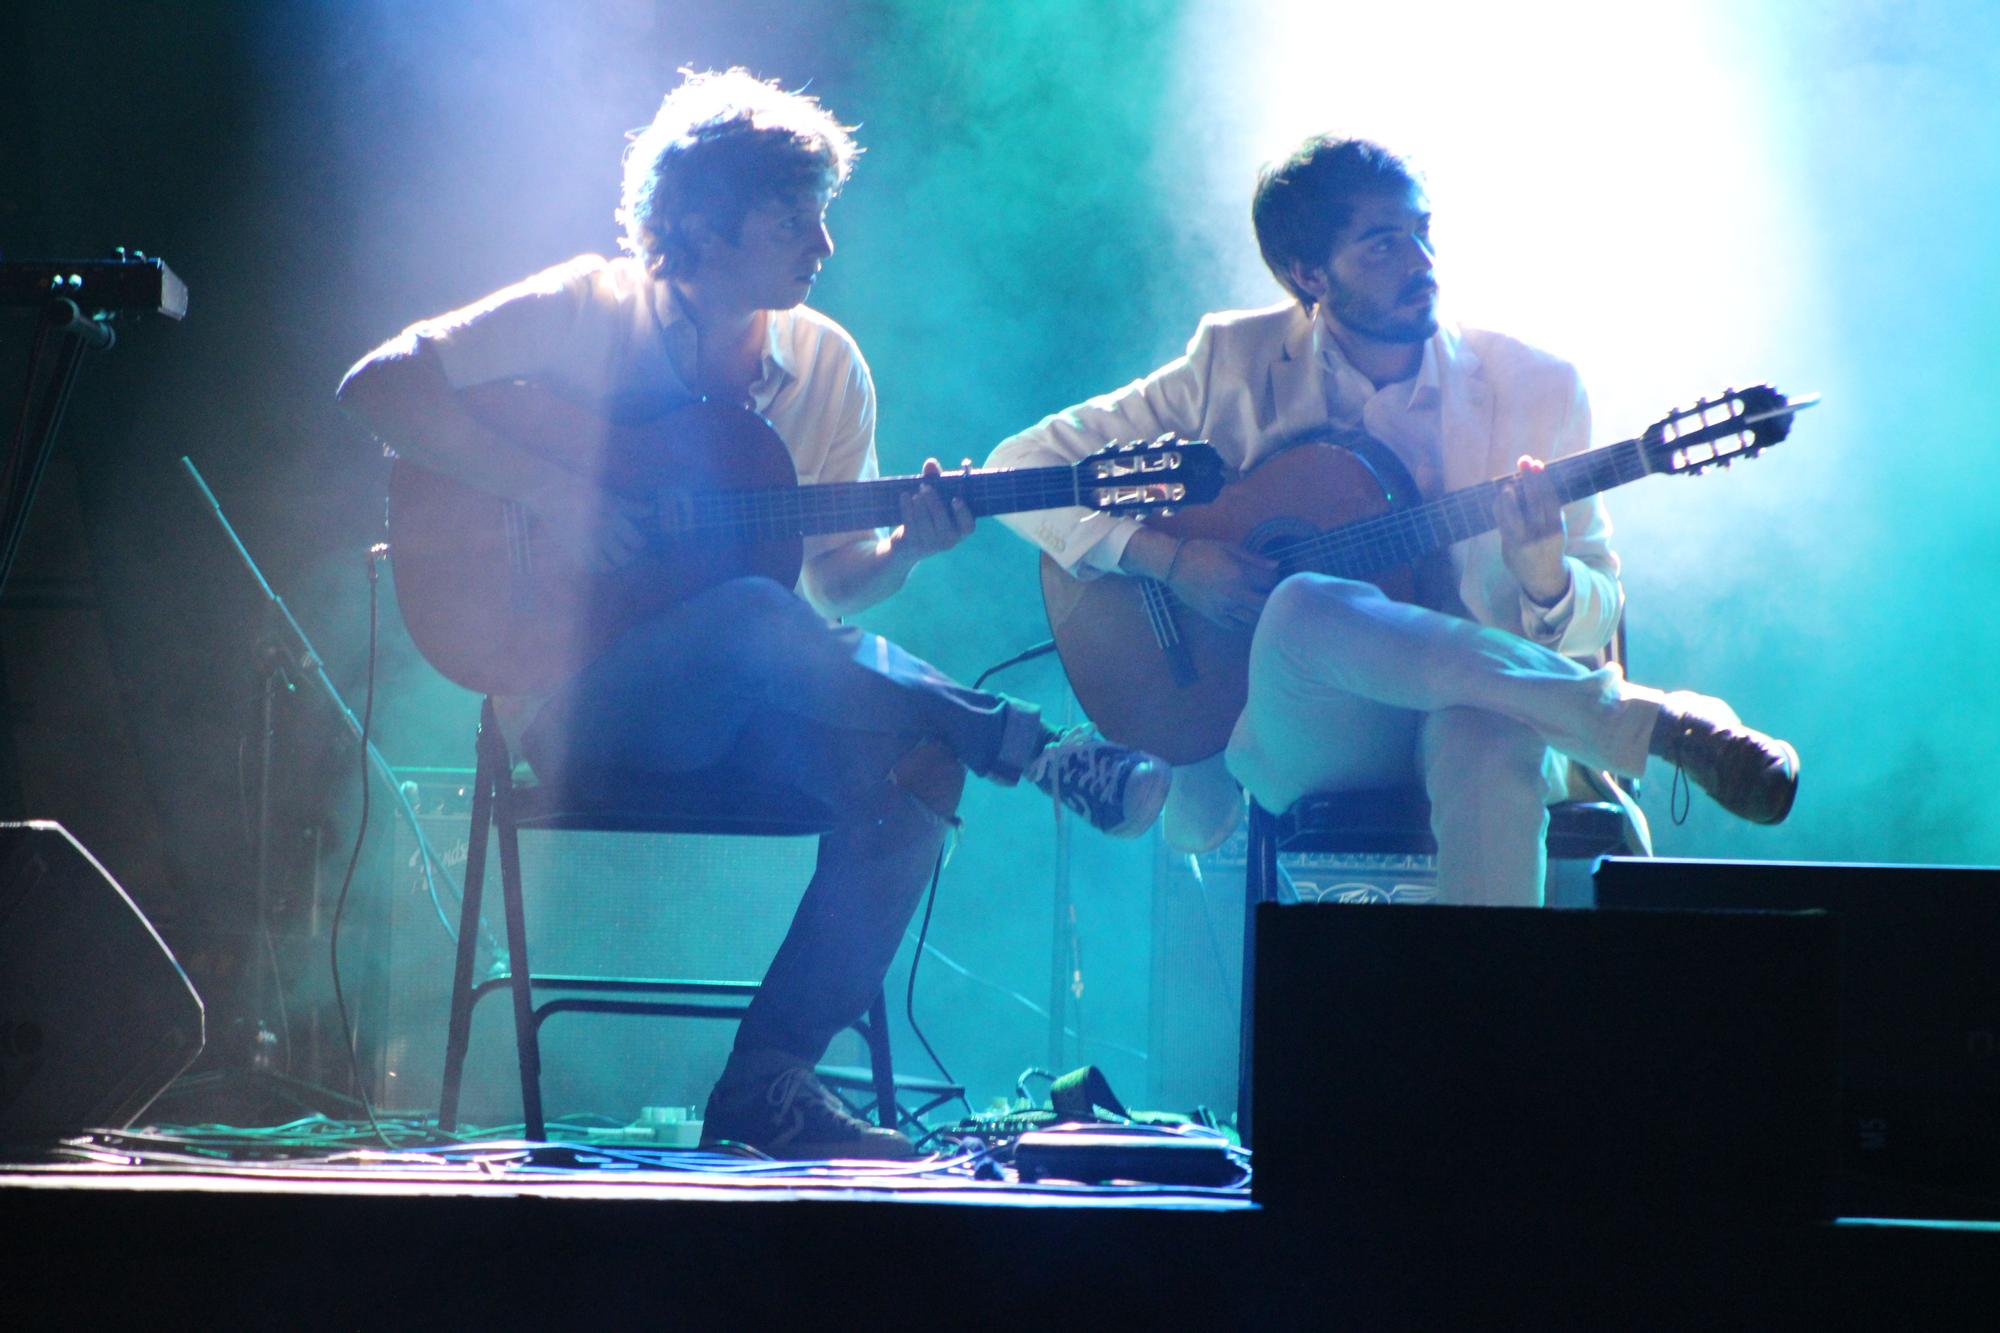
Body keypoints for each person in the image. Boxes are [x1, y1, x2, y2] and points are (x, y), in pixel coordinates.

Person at [337, 69, 1169, 1158]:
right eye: (794, 217)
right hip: (578, 711)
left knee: (915, 762)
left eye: (823, 215)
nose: (822, 246)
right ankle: (1041, 749)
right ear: (699, 218)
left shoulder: (825, 365)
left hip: (748, 703)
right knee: (743, 615)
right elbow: (377, 386)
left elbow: (833, 589)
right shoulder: (585, 309)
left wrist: (907, 549)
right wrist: (553, 491)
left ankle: (767, 1081)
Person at [986, 135, 1798, 906]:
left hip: (1488, 707)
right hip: (1314, 724)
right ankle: (1652, 722)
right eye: (1383, 245)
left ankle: (1481, 1036)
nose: (1422, 264)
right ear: (1308, 273)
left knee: (1492, 738)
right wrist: (1168, 561)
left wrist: (1546, 576)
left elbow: (1601, 605)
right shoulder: (1230, 364)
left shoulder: (1536, 386)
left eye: (1423, 234)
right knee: (1304, 602)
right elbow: (1016, 468)